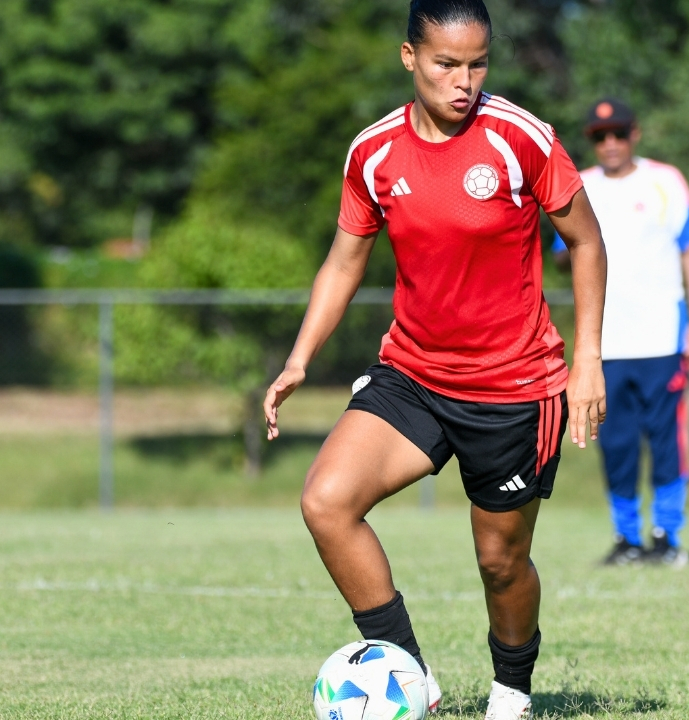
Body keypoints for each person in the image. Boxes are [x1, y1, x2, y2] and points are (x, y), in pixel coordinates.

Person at [263, 2, 608, 718]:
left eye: (478, 64)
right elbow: (344, 261)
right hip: (413, 375)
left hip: (514, 387)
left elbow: (587, 242)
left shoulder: (521, 138)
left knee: (500, 562)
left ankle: (511, 692)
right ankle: (410, 676)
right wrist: (299, 359)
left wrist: (589, 362)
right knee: (326, 502)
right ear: (409, 57)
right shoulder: (374, 152)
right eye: (447, 64)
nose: (464, 81)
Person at [553, 97, 689, 569]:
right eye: (600, 136)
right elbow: (562, 251)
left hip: (662, 338)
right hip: (605, 345)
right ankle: (626, 538)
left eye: (619, 133)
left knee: (665, 442)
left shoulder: (666, 180)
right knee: (617, 444)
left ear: (634, 134)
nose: (610, 143)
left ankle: (667, 536)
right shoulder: (578, 185)